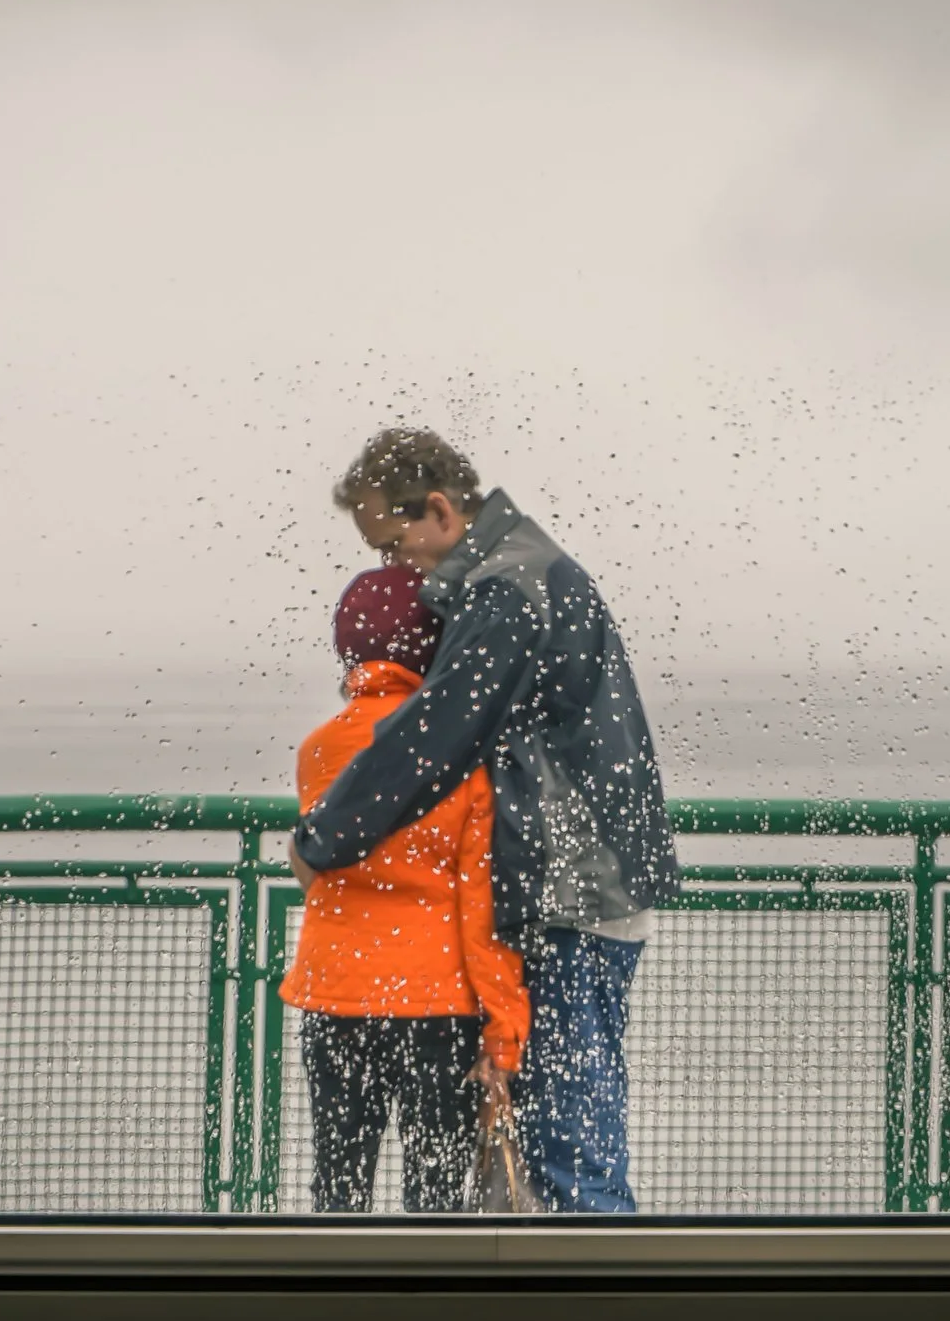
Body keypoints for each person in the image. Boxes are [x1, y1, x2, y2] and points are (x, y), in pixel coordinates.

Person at [291, 429, 678, 1214]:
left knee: (568, 1148)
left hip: (576, 894)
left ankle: (608, 1318)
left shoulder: (507, 591)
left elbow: (431, 736)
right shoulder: (531, 569)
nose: (401, 573)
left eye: (397, 547)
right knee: (559, 1138)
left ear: (438, 509)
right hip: (591, 884)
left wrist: (322, 838)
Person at [280, 563, 529, 1214]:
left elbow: (317, 864)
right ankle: (429, 1310)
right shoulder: (461, 752)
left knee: (339, 1184)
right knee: (437, 1192)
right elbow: (483, 907)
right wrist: (504, 1037)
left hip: (334, 993)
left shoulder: (317, 751)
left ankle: (336, 1307)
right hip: (435, 1004)